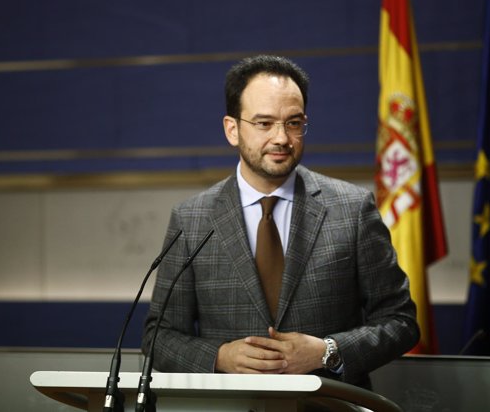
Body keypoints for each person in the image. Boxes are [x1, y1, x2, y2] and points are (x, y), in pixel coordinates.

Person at [142, 54, 419, 389]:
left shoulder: (352, 209)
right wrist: (220, 357)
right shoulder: (193, 218)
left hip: (328, 407)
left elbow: (401, 322)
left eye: (293, 123)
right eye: (263, 123)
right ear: (232, 129)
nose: (281, 138)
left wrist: (327, 352)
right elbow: (159, 337)